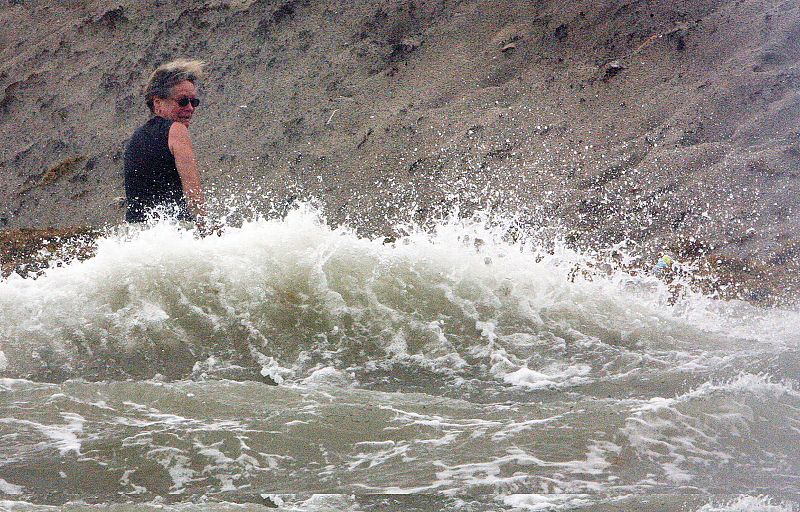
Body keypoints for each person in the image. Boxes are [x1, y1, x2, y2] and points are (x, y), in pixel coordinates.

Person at [124, 59, 207, 227]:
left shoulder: (135, 138)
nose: (190, 108)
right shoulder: (176, 130)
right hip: (174, 230)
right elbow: (192, 188)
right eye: (183, 101)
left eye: (194, 101)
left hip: (136, 234)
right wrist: (204, 225)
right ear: (158, 103)